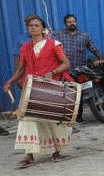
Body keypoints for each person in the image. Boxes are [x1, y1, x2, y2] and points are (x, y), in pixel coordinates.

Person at [3, 14, 72, 167]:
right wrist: (10, 81)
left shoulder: (54, 44)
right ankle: (29, 155)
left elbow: (66, 63)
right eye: (31, 26)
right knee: (27, 120)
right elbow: (21, 70)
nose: (33, 28)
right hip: (30, 89)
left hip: (49, 87)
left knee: (51, 120)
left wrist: (53, 73)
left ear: (43, 29)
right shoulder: (25, 47)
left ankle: (56, 151)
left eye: (36, 25)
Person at [52, 14, 103, 123]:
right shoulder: (59, 35)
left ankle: (79, 117)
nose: (72, 23)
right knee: (66, 94)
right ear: (65, 24)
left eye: (73, 21)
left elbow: (93, 48)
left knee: (79, 94)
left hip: (79, 70)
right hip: (64, 71)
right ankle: (67, 118)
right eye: (69, 22)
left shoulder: (84, 35)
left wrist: (101, 59)